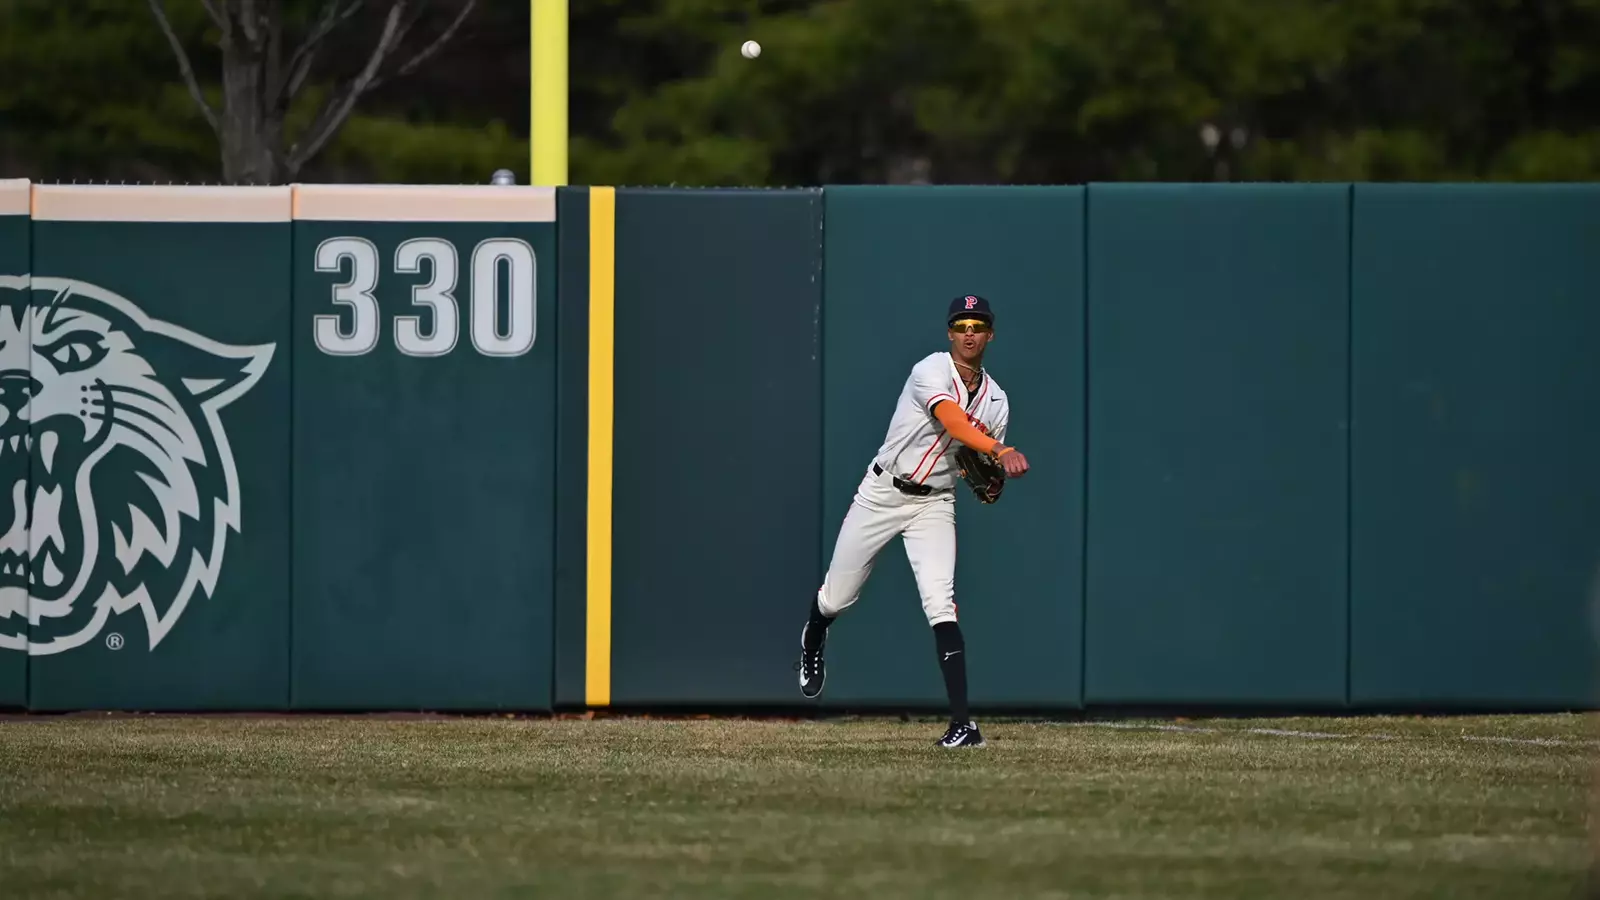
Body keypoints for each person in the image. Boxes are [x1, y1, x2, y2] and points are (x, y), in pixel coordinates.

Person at [795, 294, 1029, 748]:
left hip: (934, 503)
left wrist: (993, 479)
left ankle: (963, 726)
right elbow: (954, 422)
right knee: (838, 596)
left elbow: (981, 471)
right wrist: (998, 450)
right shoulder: (931, 370)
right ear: (949, 333)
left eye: (977, 325)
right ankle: (815, 632)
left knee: (941, 601)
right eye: (961, 324)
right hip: (883, 492)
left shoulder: (998, 401)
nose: (968, 332)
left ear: (990, 335)